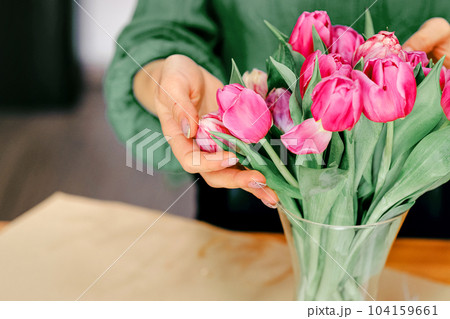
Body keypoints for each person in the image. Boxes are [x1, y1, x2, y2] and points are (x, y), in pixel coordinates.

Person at [105, 0, 450, 234]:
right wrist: (169, 82)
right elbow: (158, 32)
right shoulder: (308, 129)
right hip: (249, 200)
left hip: (433, 211)